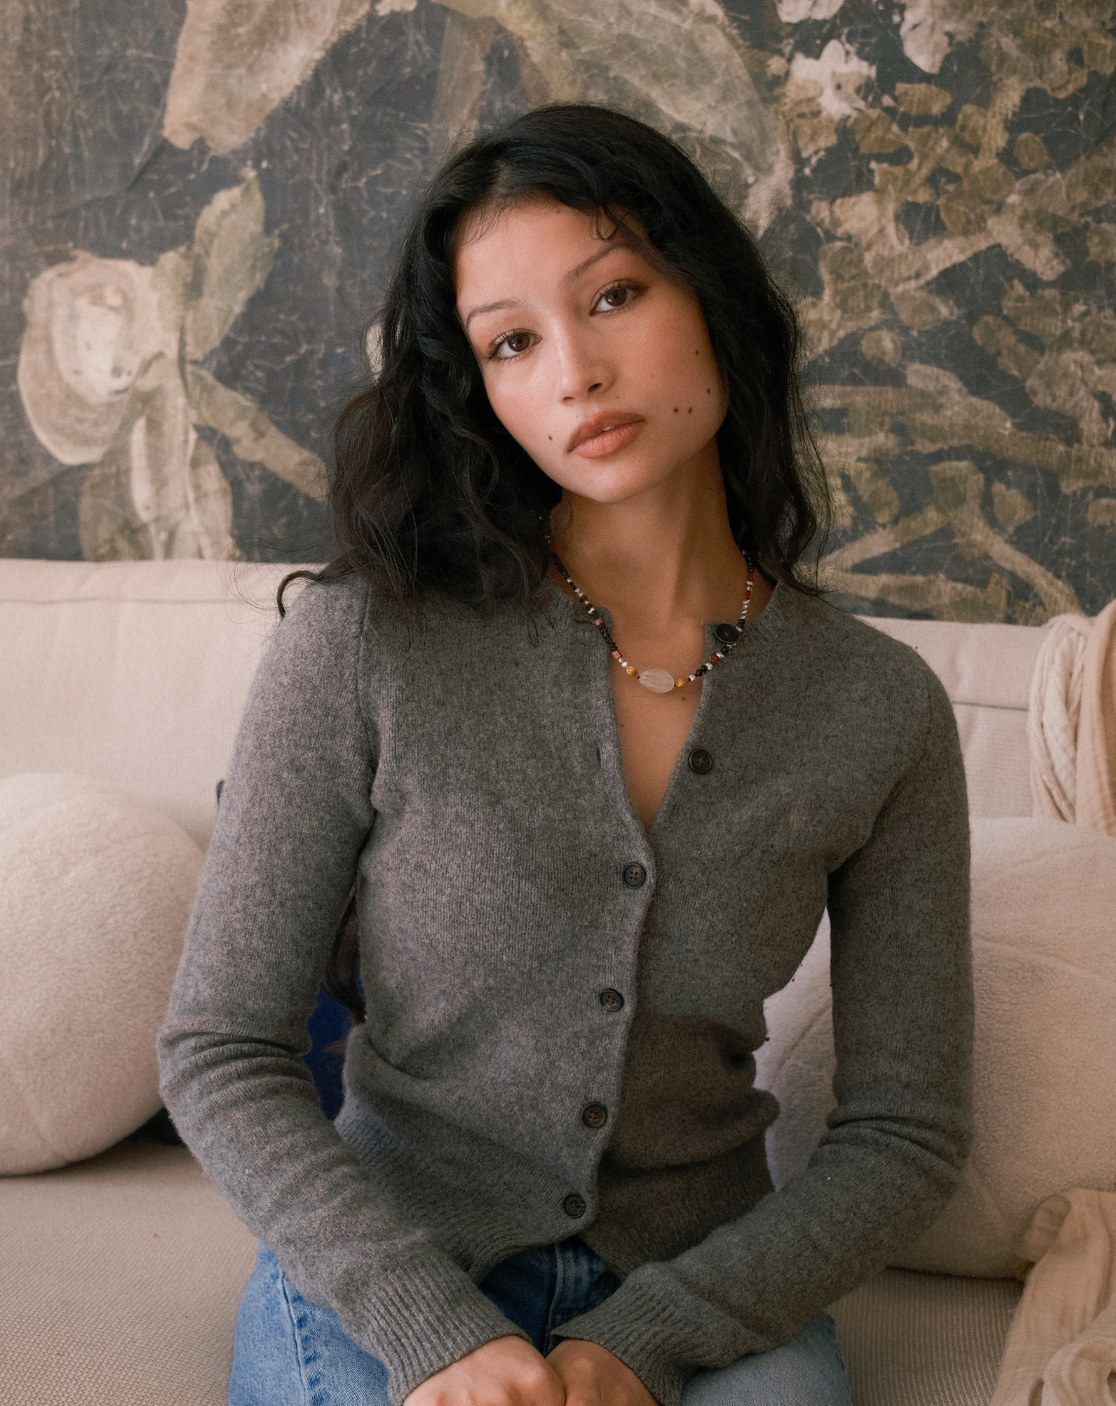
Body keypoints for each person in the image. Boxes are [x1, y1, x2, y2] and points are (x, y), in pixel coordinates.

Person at [157, 105, 972, 1406]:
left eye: (617, 295)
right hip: (395, 1270)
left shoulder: (879, 709)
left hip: (710, 1286)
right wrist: (432, 1327)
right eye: (514, 342)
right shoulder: (366, 644)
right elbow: (220, 1045)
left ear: (710, 297)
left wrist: (650, 1336)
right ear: (478, 391)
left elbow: (907, 1132)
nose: (575, 373)